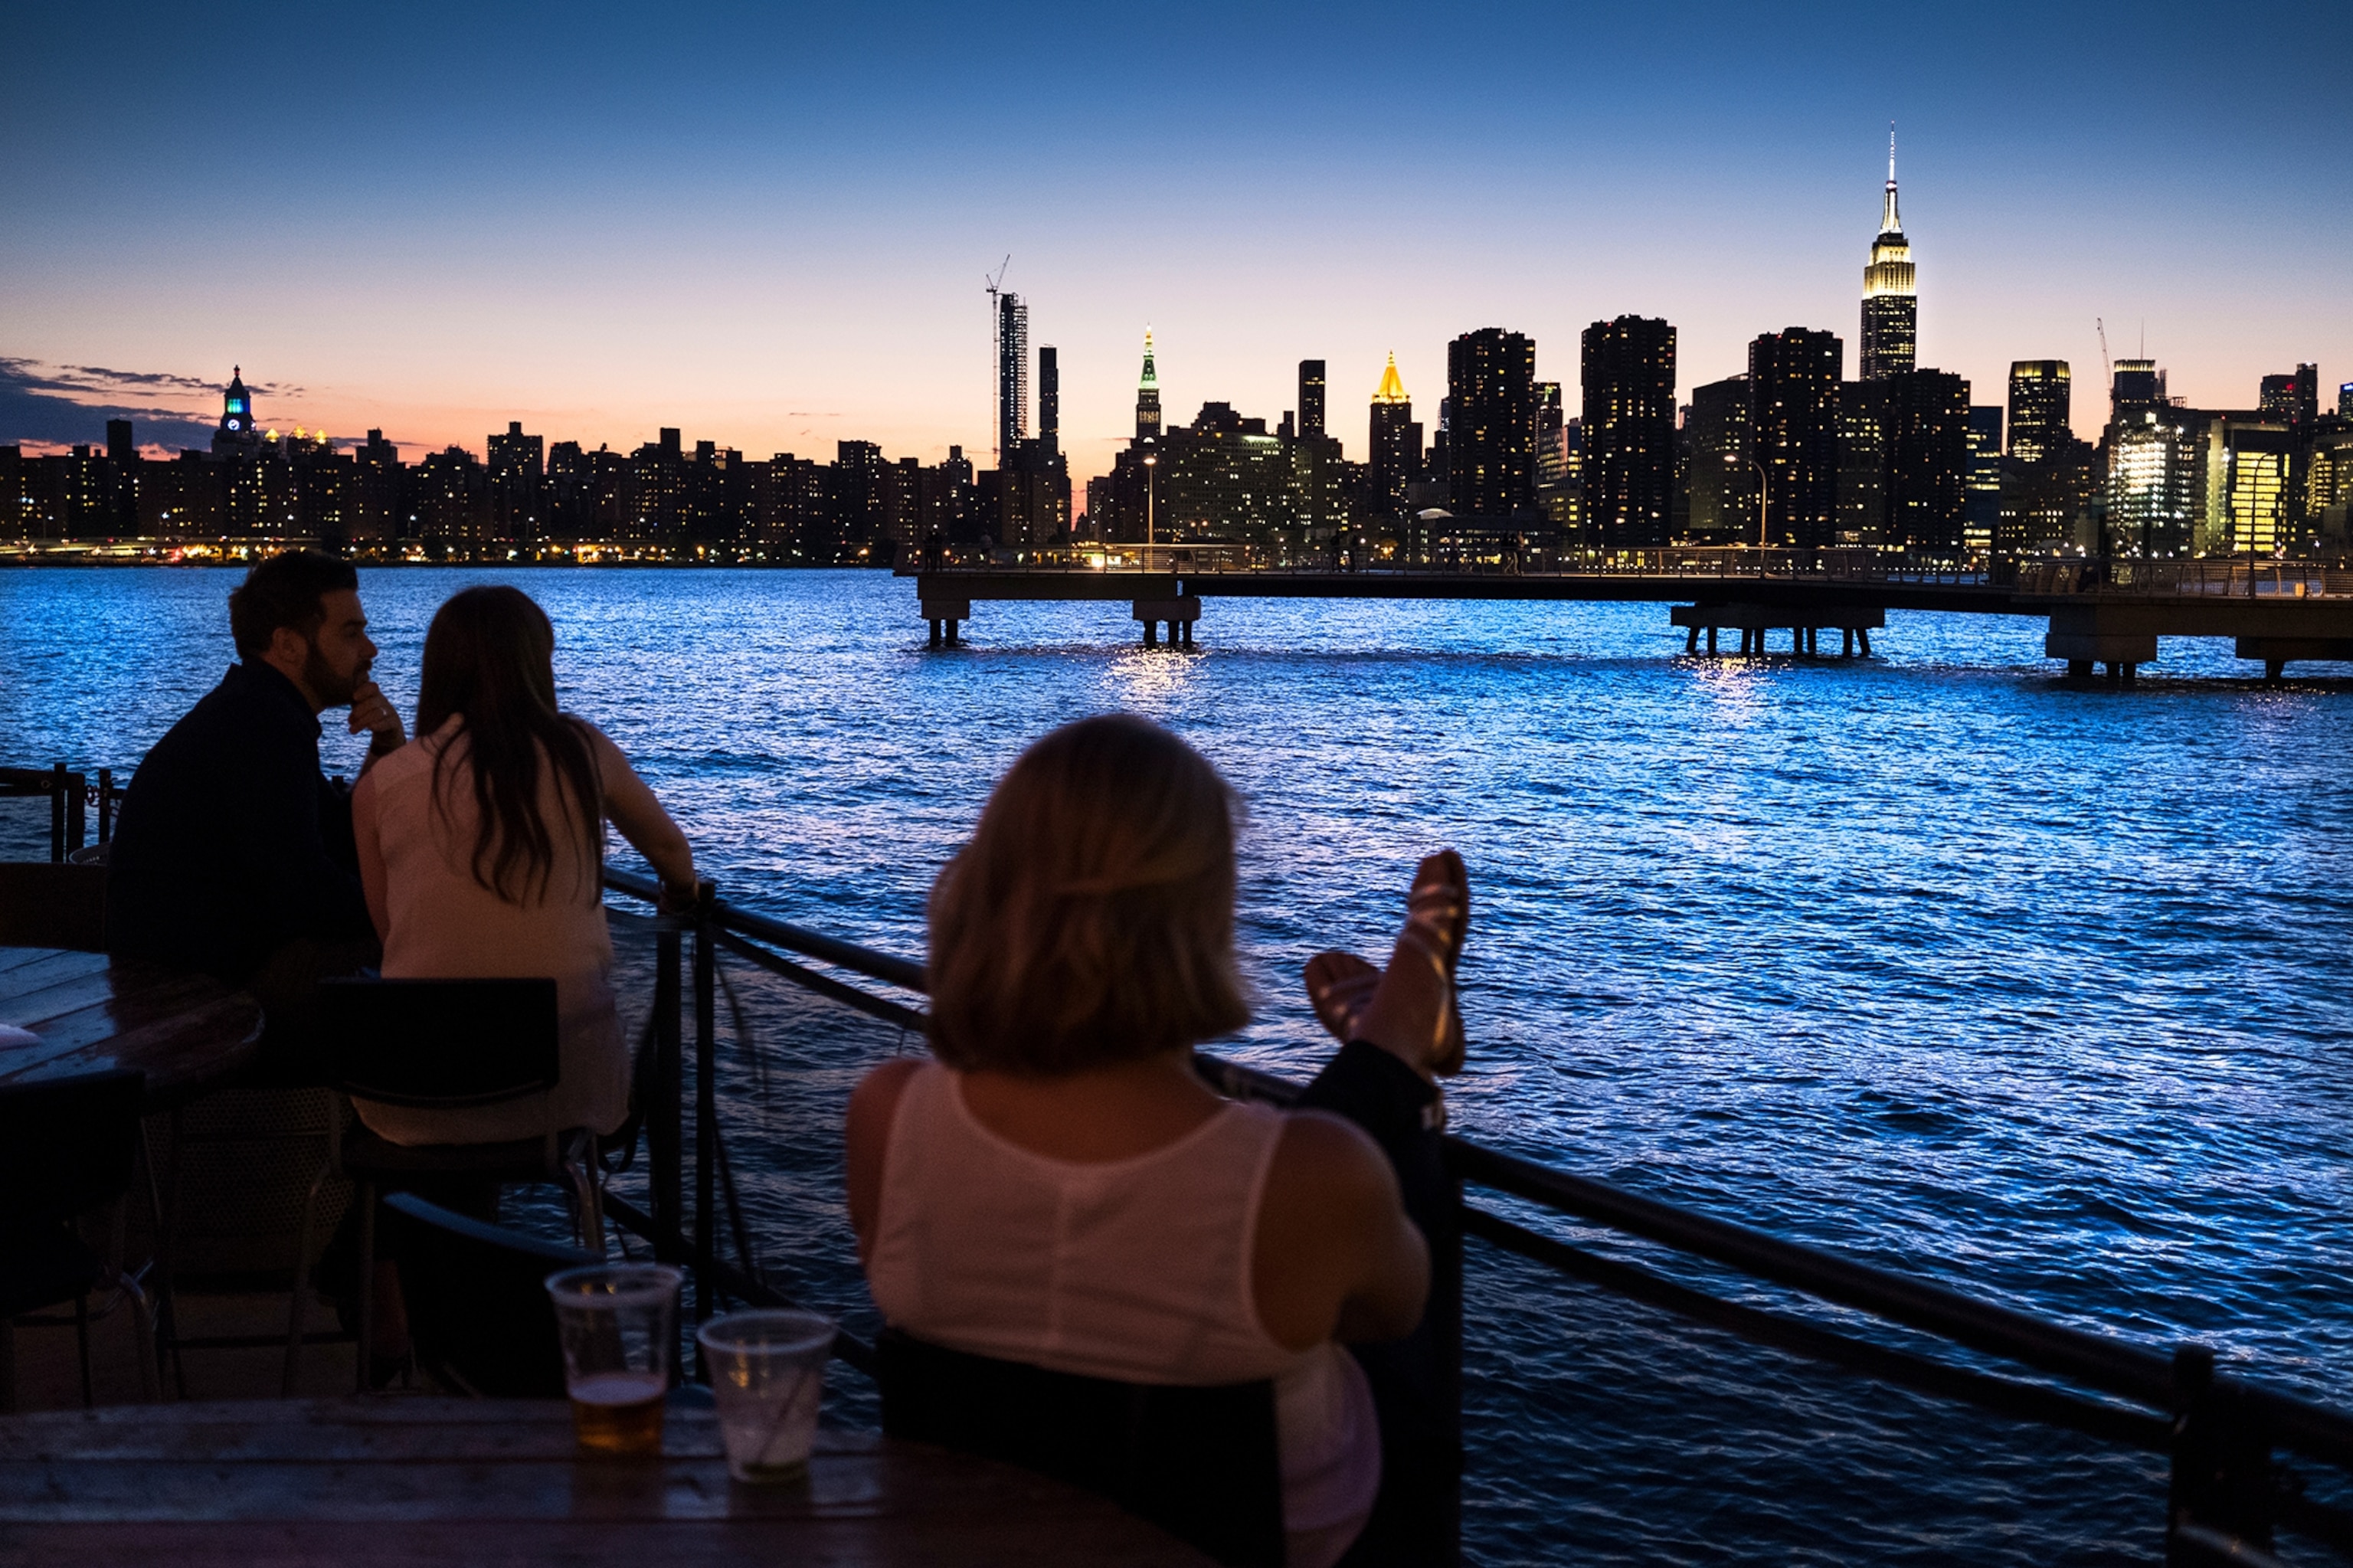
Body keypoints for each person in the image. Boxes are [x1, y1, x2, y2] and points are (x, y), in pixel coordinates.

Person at [847, 715, 1468, 1568]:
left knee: (1307, 1173)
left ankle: (1390, 1038)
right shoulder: (1311, 1175)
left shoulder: (888, 1116)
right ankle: (1401, 1040)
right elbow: (1394, 1311)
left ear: (987, 889)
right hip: (1295, 1547)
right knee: (1372, 1169)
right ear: (1205, 917)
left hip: (976, 1546)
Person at [350, 584, 695, 1146]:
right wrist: (681, 897)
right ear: (536, 664)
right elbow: (673, 855)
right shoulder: (580, 750)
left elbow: (391, 931)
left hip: (417, 1095)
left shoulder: (379, 786)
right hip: (564, 1086)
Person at [107, 549, 406, 1075]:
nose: (370, 649)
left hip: (184, 973)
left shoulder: (256, 711)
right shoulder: (263, 728)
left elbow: (337, 839)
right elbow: (306, 892)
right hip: (204, 992)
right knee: (432, 951)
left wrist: (384, 749)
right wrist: (406, 910)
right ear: (288, 644)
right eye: (351, 632)